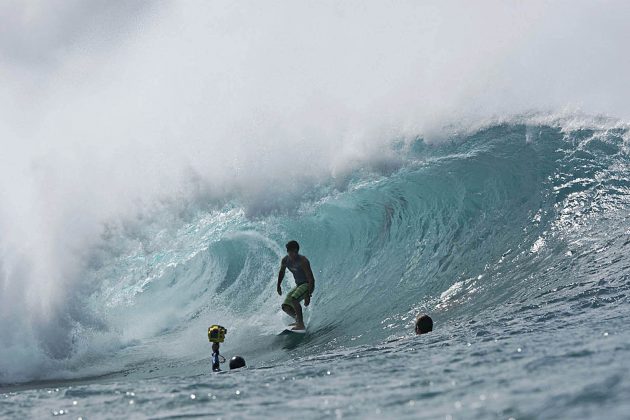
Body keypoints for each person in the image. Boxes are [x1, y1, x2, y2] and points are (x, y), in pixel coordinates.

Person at [277, 240, 315, 331]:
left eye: (293, 252)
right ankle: (298, 320)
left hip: (307, 284)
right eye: (289, 252)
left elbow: (311, 279)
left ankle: (301, 325)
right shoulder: (285, 260)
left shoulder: (303, 261)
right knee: (285, 306)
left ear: (297, 251)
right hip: (299, 285)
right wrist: (278, 285)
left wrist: (308, 295)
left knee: (294, 299)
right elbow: (281, 272)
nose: (291, 255)